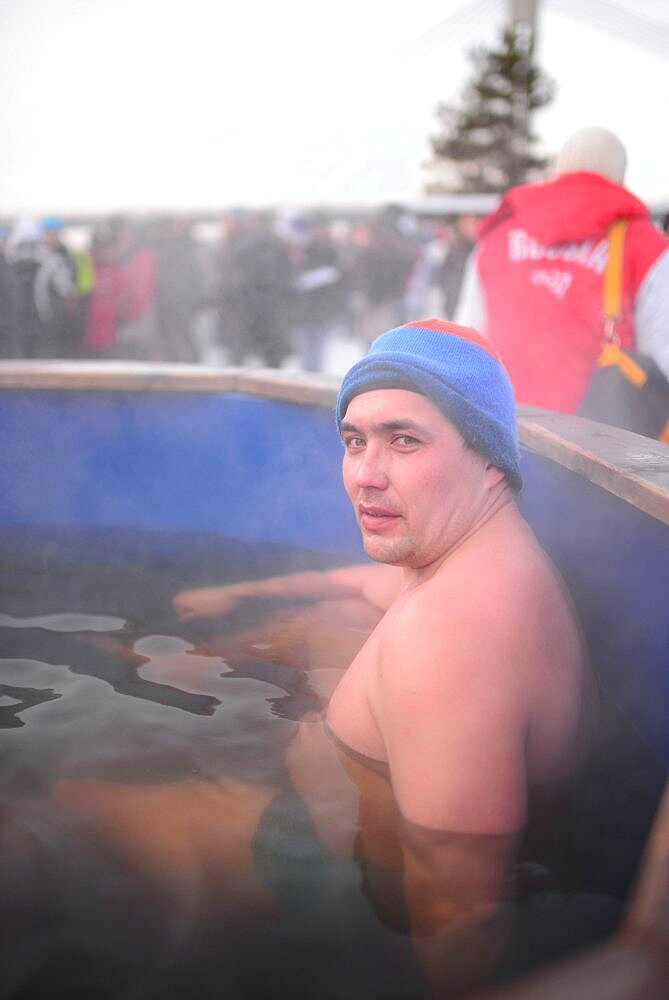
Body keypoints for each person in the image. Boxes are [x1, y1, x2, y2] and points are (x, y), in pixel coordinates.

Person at [54, 320, 599, 996]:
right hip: (340, 820)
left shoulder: (452, 639)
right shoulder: (478, 560)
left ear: (489, 459)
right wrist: (246, 590)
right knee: (330, 618)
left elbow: (460, 912)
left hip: (325, 868)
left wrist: (316, 787)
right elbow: (361, 584)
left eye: (404, 440)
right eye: (353, 441)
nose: (365, 476)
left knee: (65, 802)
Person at [456, 126, 669, 413]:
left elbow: (465, 342)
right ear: (621, 177)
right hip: (602, 443)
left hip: (504, 429)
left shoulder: (496, 238)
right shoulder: (645, 245)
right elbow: (663, 355)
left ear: (557, 170)